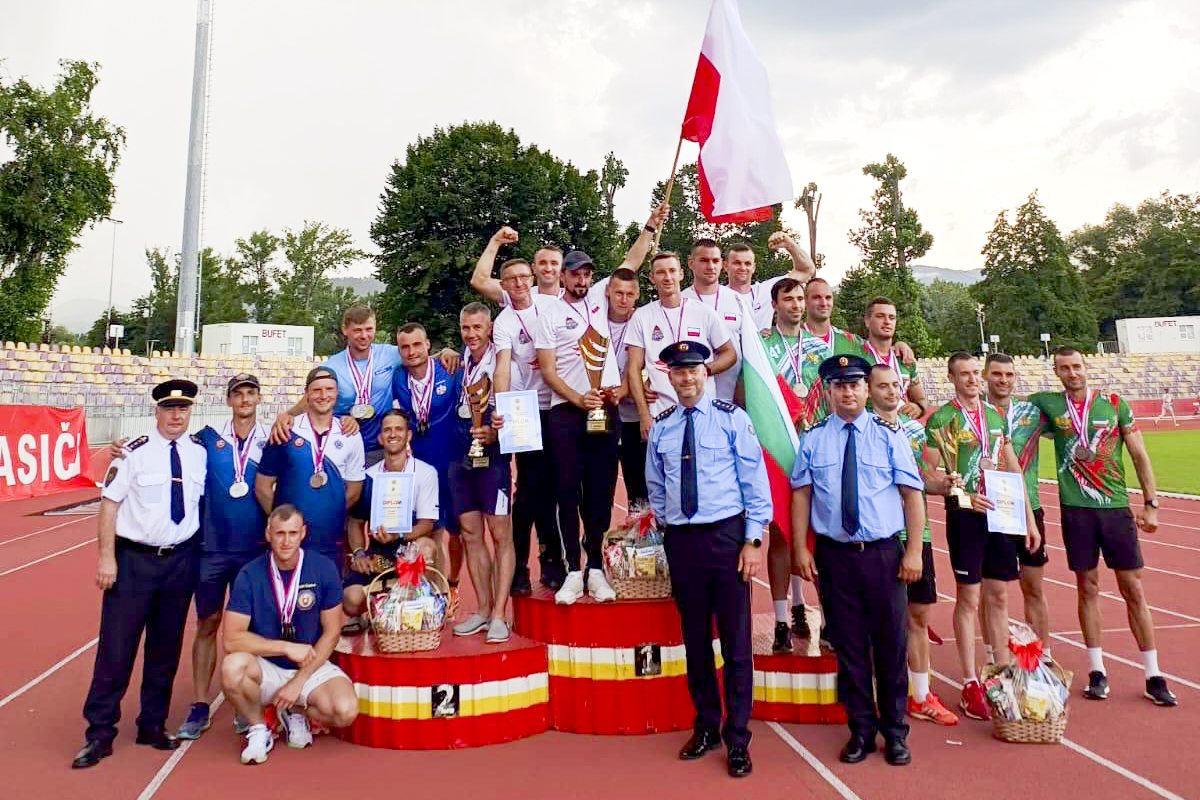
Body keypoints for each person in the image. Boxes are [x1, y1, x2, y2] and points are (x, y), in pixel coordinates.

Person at [790, 356, 925, 766]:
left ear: (866, 389)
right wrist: (799, 548)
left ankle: (895, 732)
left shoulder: (888, 436)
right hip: (836, 557)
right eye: (839, 386)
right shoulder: (813, 439)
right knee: (848, 649)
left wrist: (914, 549)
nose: (848, 392)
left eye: (854, 385)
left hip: (883, 555)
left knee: (890, 645)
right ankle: (860, 730)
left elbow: (911, 495)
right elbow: (801, 495)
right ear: (828, 392)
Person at [645, 341, 771, 778]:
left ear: (706, 372)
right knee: (695, 640)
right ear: (670, 377)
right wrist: (669, 524)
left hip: (726, 538)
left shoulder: (733, 420)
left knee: (736, 644)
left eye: (693, 370)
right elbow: (655, 484)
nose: (686, 378)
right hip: (684, 542)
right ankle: (706, 726)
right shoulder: (662, 427)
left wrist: (753, 542)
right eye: (678, 372)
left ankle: (738, 738)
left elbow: (755, 483)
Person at [1029, 347, 1177, 706]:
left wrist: (1151, 504)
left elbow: (1140, 456)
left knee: (1133, 589)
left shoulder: (1113, 403)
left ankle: (1153, 674)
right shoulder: (1048, 404)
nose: (1072, 373)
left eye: (1077, 366)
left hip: (1115, 509)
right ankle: (1097, 670)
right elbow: (1004, 409)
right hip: (1076, 511)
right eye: (1064, 368)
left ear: (1086, 367)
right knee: (1087, 586)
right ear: (1057, 372)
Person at [73, 379, 207, 769]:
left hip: (180, 561)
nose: (176, 416)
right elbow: (109, 507)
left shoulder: (198, 453)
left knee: (165, 650)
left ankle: (152, 724)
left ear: (189, 413)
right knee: (116, 650)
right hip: (135, 562)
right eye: (169, 409)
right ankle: (99, 734)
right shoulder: (132, 453)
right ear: (157, 412)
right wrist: (106, 558)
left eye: (182, 409)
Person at [924, 352, 1040, 721]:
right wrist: (962, 496)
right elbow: (926, 475)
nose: (973, 379)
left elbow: (1013, 469)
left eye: (977, 373)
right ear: (952, 378)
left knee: (1000, 594)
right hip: (965, 518)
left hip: (1001, 514)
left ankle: (1002, 676)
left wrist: (1029, 522)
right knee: (970, 597)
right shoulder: (943, 419)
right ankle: (971, 682)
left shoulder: (995, 417)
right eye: (965, 374)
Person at [221, 505, 358, 764]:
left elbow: (331, 633)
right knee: (232, 667)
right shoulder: (249, 574)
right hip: (267, 667)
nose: (286, 541)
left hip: (311, 665)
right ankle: (259, 728)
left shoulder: (323, 568)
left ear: (303, 533)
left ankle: (293, 710)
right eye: (280, 533)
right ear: (268, 533)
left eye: (293, 533)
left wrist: (299, 680)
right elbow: (231, 639)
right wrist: (285, 647)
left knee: (346, 711)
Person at [177, 374, 270, 739]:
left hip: (254, 550)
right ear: (229, 400)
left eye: (250, 393)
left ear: (259, 398)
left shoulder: (272, 439)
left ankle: (248, 702)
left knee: (251, 630)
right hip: (213, 549)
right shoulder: (206, 440)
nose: (244, 399)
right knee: (208, 623)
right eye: (238, 394)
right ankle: (200, 704)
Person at [867, 365, 959, 727]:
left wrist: (946, 483)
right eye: (883, 386)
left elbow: (925, 480)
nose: (892, 392)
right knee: (880, 619)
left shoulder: (917, 431)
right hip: (880, 535)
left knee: (918, 615)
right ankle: (880, 695)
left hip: (915, 535)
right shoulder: (862, 429)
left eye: (896, 385)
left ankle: (920, 696)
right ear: (869, 390)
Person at [536, 251, 625, 604]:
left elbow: (630, 263)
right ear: (563, 278)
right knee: (567, 491)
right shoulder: (550, 313)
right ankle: (573, 569)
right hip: (567, 411)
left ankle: (596, 568)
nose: (582, 281)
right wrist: (577, 398)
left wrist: (651, 225)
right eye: (575, 275)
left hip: (604, 410)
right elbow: (547, 370)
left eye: (587, 275)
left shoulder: (600, 301)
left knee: (601, 492)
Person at [491, 256, 564, 594]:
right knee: (529, 490)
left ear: (532, 277)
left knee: (554, 487)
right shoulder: (504, 321)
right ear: (504, 285)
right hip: (523, 409)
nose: (519, 284)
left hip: (559, 404)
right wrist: (500, 405)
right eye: (511, 279)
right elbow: (502, 366)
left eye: (523, 277)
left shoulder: (552, 303)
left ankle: (552, 560)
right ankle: (521, 564)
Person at [448, 303, 515, 643]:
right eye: (465, 328)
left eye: (477, 328)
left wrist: (497, 433)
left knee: (500, 533)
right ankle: (484, 609)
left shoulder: (502, 362)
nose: (471, 334)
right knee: (471, 533)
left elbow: (521, 411)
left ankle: (501, 614)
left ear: (489, 328)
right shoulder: (461, 359)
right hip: (462, 454)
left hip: (494, 456)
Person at [255, 366, 365, 567]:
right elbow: (262, 487)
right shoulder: (286, 430)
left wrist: (328, 511)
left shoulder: (350, 433)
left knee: (328, 593)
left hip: (330, 537)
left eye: (329, 390)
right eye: (316, 390)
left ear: (337, 393)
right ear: (306, 394)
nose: (323, 395)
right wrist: (284, 519)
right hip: (290, 542)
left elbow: (355, 490)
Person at [757, 277, 813, 650]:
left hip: (817, 445)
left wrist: (902, 347)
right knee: (780, 531)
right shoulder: (761, 345)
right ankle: (780, 619)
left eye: (799, 298)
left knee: (818, 533)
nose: (795, 304)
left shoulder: (821, 345)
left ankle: (803, 605)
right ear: (774, 304)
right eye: (787, 298)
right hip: (778, 445)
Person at [270, 305, 399, 466]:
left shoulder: (390, 354)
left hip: (381, 446)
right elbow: (311, 399)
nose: (364, 335)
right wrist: (288, 414)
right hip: (344, 442)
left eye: (369, 329)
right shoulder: (332, 366)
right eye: (357, 330)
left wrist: (441, 354)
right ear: (345, 330)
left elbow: (421, 359)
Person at [342, 410, 440, 623]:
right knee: (350, 600)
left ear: (409, 435)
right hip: (378, 556)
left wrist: (398, 536)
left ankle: (405, 604)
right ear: (380, 437)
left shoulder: (426, 473)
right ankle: (385, 604)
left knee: (427, 547)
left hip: (408, 550)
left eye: (399, 429)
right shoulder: (368, 476)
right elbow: (355, 523)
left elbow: (426, 525)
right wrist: (359, 553)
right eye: (387, 430)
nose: (392, 434)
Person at [627, 251, 737, 436]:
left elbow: (730, 354)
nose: (668, 277)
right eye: (661, 272)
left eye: (672, 270)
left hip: (703, 411)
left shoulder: (704, 312)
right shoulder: (642, 316)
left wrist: (704, 370)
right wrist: (644, 414)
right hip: (660, 414)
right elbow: (633, 368)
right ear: (652, 278)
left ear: (681, 273)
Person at [983, 354, 1050, 650]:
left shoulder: (1033, 412)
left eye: (1009, 374)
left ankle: (1042, 655)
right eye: (997, 374)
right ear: (985, 375)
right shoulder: (975, 411)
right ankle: (993, 657)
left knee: (1033, 587)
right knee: (993, 592)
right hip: (989, 510)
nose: (1004, 380)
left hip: (1027, 507)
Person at [393, 322, 467, 587]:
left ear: (427, 344)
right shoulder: (398, 377)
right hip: (422, 466)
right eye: (405, 346)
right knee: (431, 530)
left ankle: (454, 582)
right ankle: (437, 589)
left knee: (457, 532)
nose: (411, 351)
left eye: (417, 344)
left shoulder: (449, 370)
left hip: (453, 462)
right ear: (399, 350)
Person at [860, 297, 928, 418]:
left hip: (902, 430)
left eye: (892, 317)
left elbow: (921, 399)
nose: (887, 321)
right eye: (880, 316)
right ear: (867, 321)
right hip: (870, 430)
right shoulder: (858, 357)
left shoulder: (905, 359)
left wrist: (918, 407)